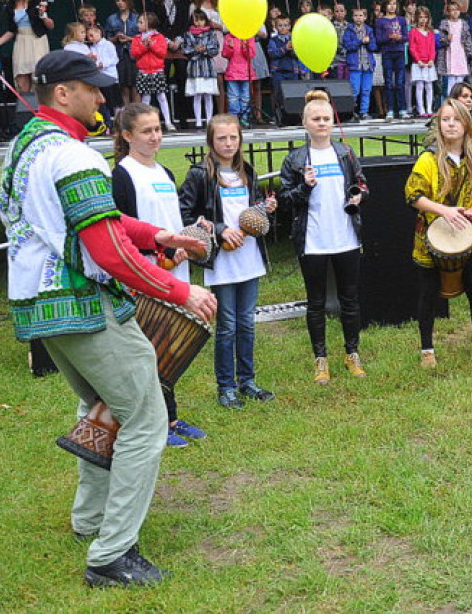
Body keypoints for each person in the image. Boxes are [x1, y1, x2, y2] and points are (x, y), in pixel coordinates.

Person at [0, 50, 216, 586]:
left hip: (38, 307)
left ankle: (91, 518)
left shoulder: (25, 147)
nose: (102, 98)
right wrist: (178, 290)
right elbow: (107, 252)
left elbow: (106, 221)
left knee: (100, 406)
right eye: (92, 89)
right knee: (143, 418)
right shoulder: (76, 158)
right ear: (63, 94)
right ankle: (112, 554)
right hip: (83, 303)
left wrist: (159, 235)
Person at [111, 103, 208, 446]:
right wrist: (162, 255)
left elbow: (168, 224)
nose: (155, 137)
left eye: (158, 129)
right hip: (145, 276)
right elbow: (122, 233)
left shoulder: (165, 172)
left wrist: (189, 237)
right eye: (146, 131)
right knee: (147, 352)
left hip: (174, 271)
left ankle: (171, 417)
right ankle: (154, 425)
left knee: (169, 348)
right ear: (127, 135)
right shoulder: (122, 175)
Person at [178, 114, 277, 408]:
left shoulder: (247, 171)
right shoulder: (200, 174)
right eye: (222, 138)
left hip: (248, 258)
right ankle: (226, 386)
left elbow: (252, 212)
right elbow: (184, 215)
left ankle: (247, 381)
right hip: (222, 261)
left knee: (247, 322)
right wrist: (219, 231)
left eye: (233, 137)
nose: (228, 143)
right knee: (227, 325)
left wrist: (264, 208)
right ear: (211, 141)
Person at [279, 91, 369, 384]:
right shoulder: (295, 159)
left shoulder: (345, 152)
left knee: (350, 299)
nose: (321, 124)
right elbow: (284, 200)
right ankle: (321, 359)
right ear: (305, 123)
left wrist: (358, 197)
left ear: (333, 122)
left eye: (326, 119)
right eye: (316, 119)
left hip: (346, 238)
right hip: (313, 240)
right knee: (315, 302)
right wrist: (304, 187)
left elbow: (362, 185)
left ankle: (352, 353)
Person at [404, 99, 472, 368]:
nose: (451, 124)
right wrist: (444, 211)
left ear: (466, 125)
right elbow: (413, 195)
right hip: (431, 238)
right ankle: (427, 349)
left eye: (456, 119)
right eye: (445, 119)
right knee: (428, 294)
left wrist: (471, 212)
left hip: (466, 237)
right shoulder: (429, 159)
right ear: (439, 125)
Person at [152, 0, 191, 127]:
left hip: (179, 46)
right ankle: (165, 119)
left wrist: (179, 40)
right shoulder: (155, 3)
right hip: (164, 46)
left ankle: (183, 119)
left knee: (182, 81)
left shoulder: (181, 2)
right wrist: (167, 41)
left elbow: (185, 24)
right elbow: (156, 25)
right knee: (163, 83)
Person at [130, 12, 175, 132]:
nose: (138, 25)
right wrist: (144, 46)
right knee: (146, 98)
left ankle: (168, 122)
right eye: (138, 22)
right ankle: (146, 123)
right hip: (144, 71)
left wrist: (152, 46)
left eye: (141, 22)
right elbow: (134, 54)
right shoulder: (137, 38)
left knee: (161, 96)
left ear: (149, 24)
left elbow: (162, 53)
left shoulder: (159, 37)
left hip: (157, 71)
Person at [190, 0, 227, 114]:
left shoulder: (219, 6)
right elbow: (191, 26)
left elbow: (228, 27)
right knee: (205, 81)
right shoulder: (195, 6)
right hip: (201, 43)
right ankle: (206, 116)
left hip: (218, 41)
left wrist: (215, 25)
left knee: (220, 80)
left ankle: (222, 113)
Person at [181, 10, 220, 128]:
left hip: (207, 68)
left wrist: (206, 49)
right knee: (197, 95)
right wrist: (196, 50)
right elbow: (185, 49)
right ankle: (198, 120)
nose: (198, 23)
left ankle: (209, 120)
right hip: (195, 68)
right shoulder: (188, 34)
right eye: (196, 20)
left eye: (201, 20)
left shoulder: (211, 33)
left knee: (208, 95)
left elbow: (215, 48)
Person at [104, 0, 140, 107]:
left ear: (128, 1)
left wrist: (129, 39)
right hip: (119, 55)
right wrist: (115, 38)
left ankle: (137, 116)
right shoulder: (112, 19)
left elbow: (143, 37)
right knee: (123, 87)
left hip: (134, 55)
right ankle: (127, 115)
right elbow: (106, 39)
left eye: (123, 0)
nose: (120, 3)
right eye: (117, 1)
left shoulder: (136, 18)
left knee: (135, 87)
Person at [375, 0, 409, 120]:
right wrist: (390, 37)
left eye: (394, 4)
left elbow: (406, 37)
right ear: (385, 6)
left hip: (399, 52)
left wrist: (400, 38)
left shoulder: (401, 20)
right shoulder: (380, 21)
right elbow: (379, 39)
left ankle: (402, 109)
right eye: (389, 4)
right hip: (387, 53)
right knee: (388, 82)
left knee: (400, 82)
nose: (392, 6)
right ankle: (389, 109)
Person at [342, 6, 378, 120]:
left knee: (366, 90)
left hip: (368, 65)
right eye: (356, 15)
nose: (358, 18)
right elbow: (347, 45)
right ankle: (351, 112)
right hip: (355, 65)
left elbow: (374, 47)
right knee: (355, 90)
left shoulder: (369, 30)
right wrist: (360, 41)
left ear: (365, 17)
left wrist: (368, 42)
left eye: (361, 15)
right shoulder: (349, 30)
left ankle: (364, 112)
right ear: (352, 17)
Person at [437, 1, 472, 96]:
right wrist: (447, 39)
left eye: (457, 10)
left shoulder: (463, 23)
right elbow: (440, 40)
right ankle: (451, 100)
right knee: (451, 80)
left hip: (460, 54)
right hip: (450, 53)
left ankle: (459, 100)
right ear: (448, 12)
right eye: (452, 10)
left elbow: (468, 41)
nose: (455, 12)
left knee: (460, 80)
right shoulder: (444, 23)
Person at [86, 25, 120, 124]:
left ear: (99, 33)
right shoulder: (91, 48)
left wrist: (103, 64)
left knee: (115, 102)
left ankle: (119, 122)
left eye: (91, 35)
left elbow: (114, 58)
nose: (89, 38)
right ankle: (107, 122)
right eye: (88, 36)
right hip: (100, 78)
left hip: (111, 76)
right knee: (104, 101)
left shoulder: (108, 44)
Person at [408, 6, 438, 118]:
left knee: (429, 86)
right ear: (416, 18)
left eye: (425, 17)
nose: (423, 20)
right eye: (420, 17)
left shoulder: (430, 32)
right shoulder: (413, 31)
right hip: (418, 63)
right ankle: (421, 110)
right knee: (420, 86)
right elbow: (412, 48)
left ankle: (429, 108)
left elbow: (432, 47)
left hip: (429, 63)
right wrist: (418, 60)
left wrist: (431, 59)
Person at [221, 31, 256, 127]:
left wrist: (245, 46)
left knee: (245, 97)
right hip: (233, 72)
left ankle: (244, 117)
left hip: (245, 72)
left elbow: (252, 54)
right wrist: (230, 47)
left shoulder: (249, 36)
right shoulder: (229, 37)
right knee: (233, 97)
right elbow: (224, 54)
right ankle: (234, 118)